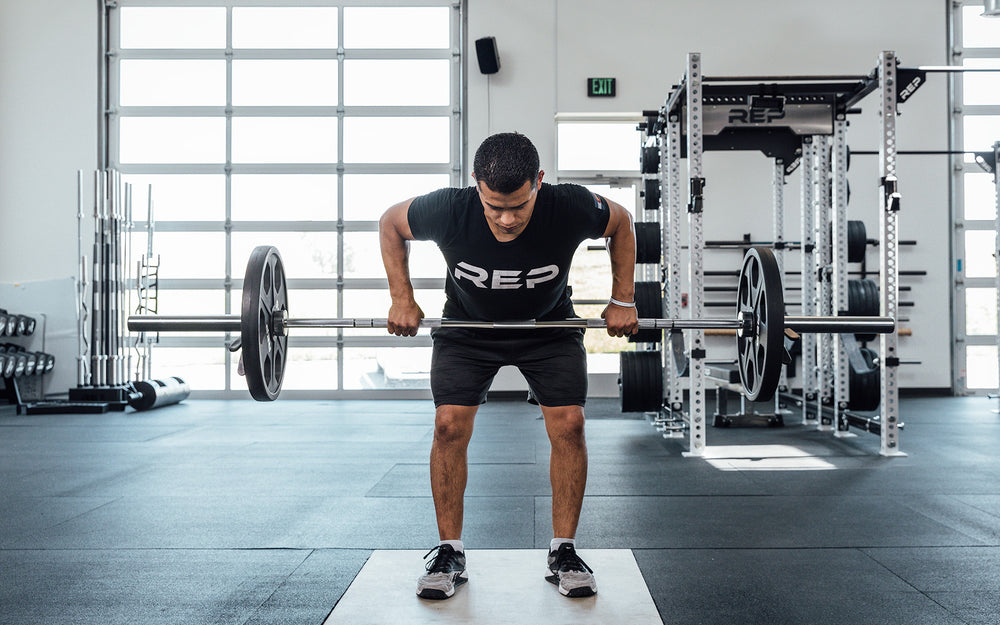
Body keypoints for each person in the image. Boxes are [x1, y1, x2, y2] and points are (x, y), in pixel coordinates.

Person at [379, 132, 637, 600]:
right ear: (476, 183)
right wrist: (402, 297)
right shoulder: (447, 209)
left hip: (547, 326)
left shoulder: (571, 206)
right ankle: (448, 551)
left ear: (538, 182)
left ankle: (564, 551)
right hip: (468, 328)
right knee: (448, 426)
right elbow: (390, 223)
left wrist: (623, 298)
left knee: (570, 424)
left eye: (519, 205)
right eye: (494, 205)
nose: (507, 218)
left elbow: (622, 222)